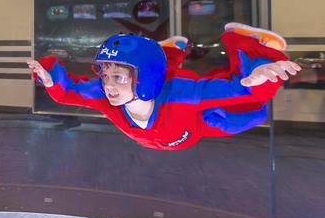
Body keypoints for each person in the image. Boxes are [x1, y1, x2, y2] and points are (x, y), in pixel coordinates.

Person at [27, 23, 301, 150]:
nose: (108, 85)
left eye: (119, 77)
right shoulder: (104, 94)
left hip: (196, 126)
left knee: (248, 114)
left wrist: (258, 73)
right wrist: (50, 79)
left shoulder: (184, 94)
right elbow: (72, 92)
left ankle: (252, 45)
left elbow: (235, 89)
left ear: (143, 80)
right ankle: (166, 54)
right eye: (104, 74)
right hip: (164, 138)